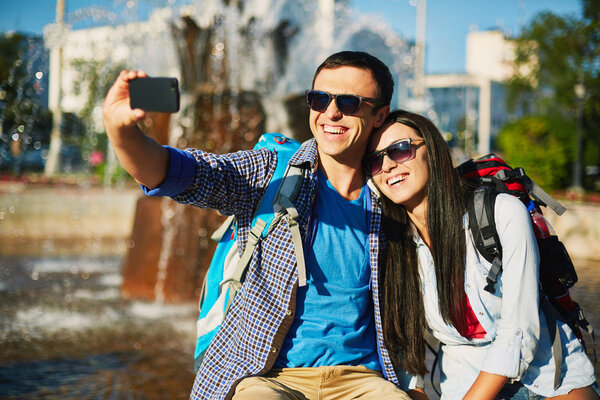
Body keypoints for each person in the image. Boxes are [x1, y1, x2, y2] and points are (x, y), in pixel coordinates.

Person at [102, 51, 426, 400]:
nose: (331, 113)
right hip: (268, 377)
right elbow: (183, 173)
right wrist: (122, 134)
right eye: (319, 99)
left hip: (362, 380)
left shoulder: (393, 195)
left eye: (349, 102)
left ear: (379, 115)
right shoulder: (271, 171)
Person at [366, 109, 599, 400]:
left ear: (432, 151)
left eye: (399, 150)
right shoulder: (393, 245)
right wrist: (413, 390)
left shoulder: (501, 212)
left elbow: (520, 331)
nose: (386, 165)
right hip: (463, 379)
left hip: (546, 375)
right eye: (374, 161)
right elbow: (407, 342)